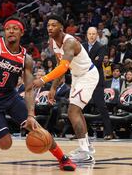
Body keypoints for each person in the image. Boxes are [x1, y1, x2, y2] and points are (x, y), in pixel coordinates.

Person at [0, 16, 76, 171]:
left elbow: (28, 90)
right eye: (7, 29)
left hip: (10, 97)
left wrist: (30, 115)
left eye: (15, 28)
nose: (10, 31)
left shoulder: (25, 59)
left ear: (22, 32)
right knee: (6, 144)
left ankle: (63, 158)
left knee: (37, 128)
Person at [33, 15, 98, 163]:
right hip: (77, 76)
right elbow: (59, 66)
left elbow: (63, 66)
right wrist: (53, 88)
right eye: (48, 25)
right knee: (76, 110)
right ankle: (86, 146)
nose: (50, 28)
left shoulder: (70, 42)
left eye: (54, 25)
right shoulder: (53, 43)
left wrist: (43, 80)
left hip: (87, 75)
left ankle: (85, 153)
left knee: (72, 111)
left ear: (61, 27)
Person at [83, 27, 114, 140]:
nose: (91, 36)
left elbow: (98, 62)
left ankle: (109, 132)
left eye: (93, 34)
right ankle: (82, 133)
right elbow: (81, 61)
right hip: (84, 80)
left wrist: (87, 62)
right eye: (90, 33)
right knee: (79, 106)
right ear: (87, 35)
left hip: (96, 80)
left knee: (101, 107)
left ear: (97, 35)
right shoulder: (82, 46)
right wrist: (91, 60)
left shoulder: (101, 46)